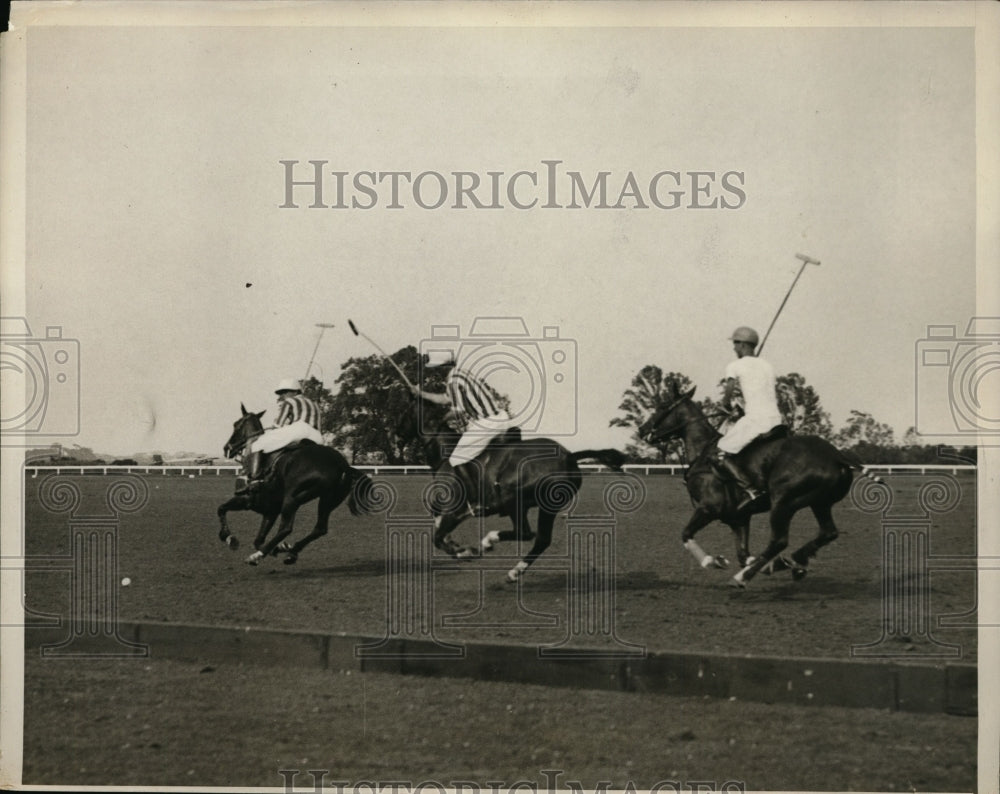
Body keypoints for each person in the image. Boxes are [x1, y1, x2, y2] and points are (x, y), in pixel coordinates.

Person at [410, 349, 515, 515]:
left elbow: (456, 410)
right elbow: (445, 398)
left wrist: (441, 420)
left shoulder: (453, 381)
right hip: (501, 417)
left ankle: (476, 501)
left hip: (488, 423)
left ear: (442, 367)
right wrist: (420, 393)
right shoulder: (461, 374)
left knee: (456, 459)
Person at [717, 326, 785, 511]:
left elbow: (729, 389)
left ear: (743, 345)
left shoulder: (734, 365)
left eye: (735, 344)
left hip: (756, 419)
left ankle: (751, 490)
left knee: (721, 452)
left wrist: (725, 405)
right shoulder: (767, 366)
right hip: (776, 420)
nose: (733, 348)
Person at [242, 378, 323, 492]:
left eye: (285, 392)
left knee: (257, 444)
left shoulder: (289, 402)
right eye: (281, 393)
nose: (283, 395)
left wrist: (273, 426)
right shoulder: (314, 403)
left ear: (295, 392)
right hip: (317, 436)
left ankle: (254, 480)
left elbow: (278, 425)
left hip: (300, 429)